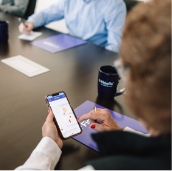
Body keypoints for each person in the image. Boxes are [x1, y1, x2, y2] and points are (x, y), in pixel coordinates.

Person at [15, 0, 171, 170]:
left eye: (124, 68)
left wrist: (49, 144)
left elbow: (113, 47)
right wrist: (121, 133)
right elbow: (47, 13)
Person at [19, 0, 126, 53]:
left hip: (95, 54)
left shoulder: (114, 4)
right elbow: (47, 14)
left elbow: (115, 46)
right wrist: (31, 22)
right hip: (71, 50)